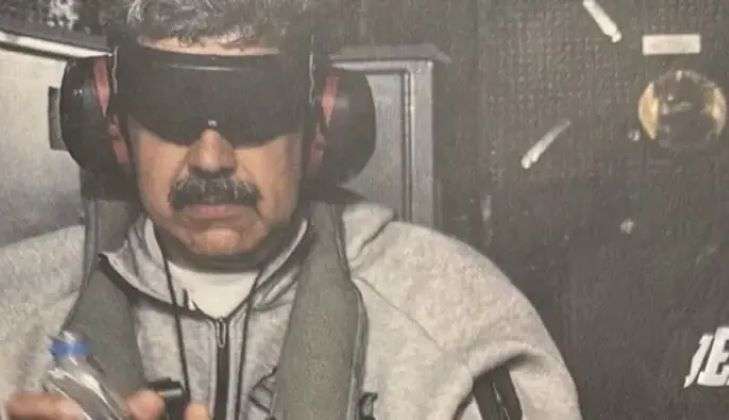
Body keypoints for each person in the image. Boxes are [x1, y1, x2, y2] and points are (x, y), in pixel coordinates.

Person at [0, 0, 580, 418]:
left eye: (252, 108)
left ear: (322, 124)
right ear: (111, 123)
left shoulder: (460, 321)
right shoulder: (13, 311)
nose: (210, 159)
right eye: (171, 106)